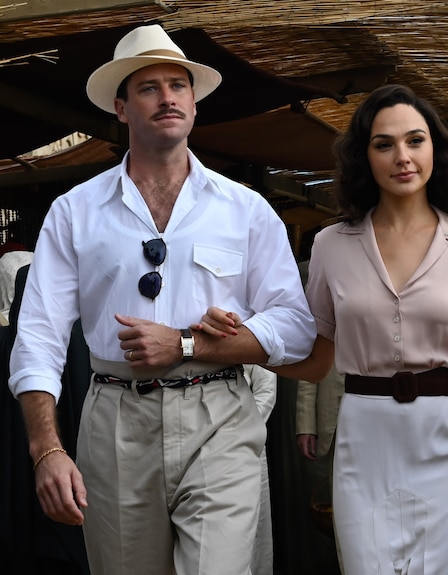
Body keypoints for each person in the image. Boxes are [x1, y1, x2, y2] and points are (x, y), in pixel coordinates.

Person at [8, 24, 316, 575]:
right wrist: (47, 450)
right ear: (122, 109)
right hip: (115, 419)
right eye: (149, 88)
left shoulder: (245, 209)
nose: (168, 96)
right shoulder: (74, 211)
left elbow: (296, 329)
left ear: (195, 104)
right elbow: (38, 336)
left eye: (179, 84)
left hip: (219, 413)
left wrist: (189, 343)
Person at [202, 84, 448, 574]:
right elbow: (316, 361)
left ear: (436, 148)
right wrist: (244, 342)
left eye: (415, 140)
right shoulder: (332, 245)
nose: (402, 156)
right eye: (384, 144)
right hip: (365, 439)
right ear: (363, 157)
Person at [244, 364, 278, 575]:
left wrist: (242, 433)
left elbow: (266, 389)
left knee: (254, 532)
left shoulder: (253, 329)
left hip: (246, 441)